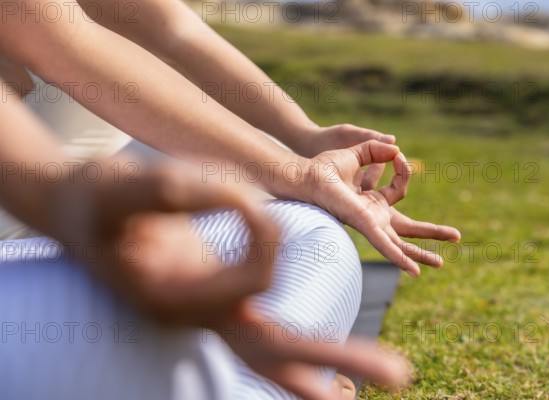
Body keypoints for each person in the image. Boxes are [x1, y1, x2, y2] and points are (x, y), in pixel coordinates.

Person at [0, 0, 460, 398]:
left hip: (29, 241)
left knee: (301, 231)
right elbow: (66, 47)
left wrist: (301, 140)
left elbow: (172, 33)